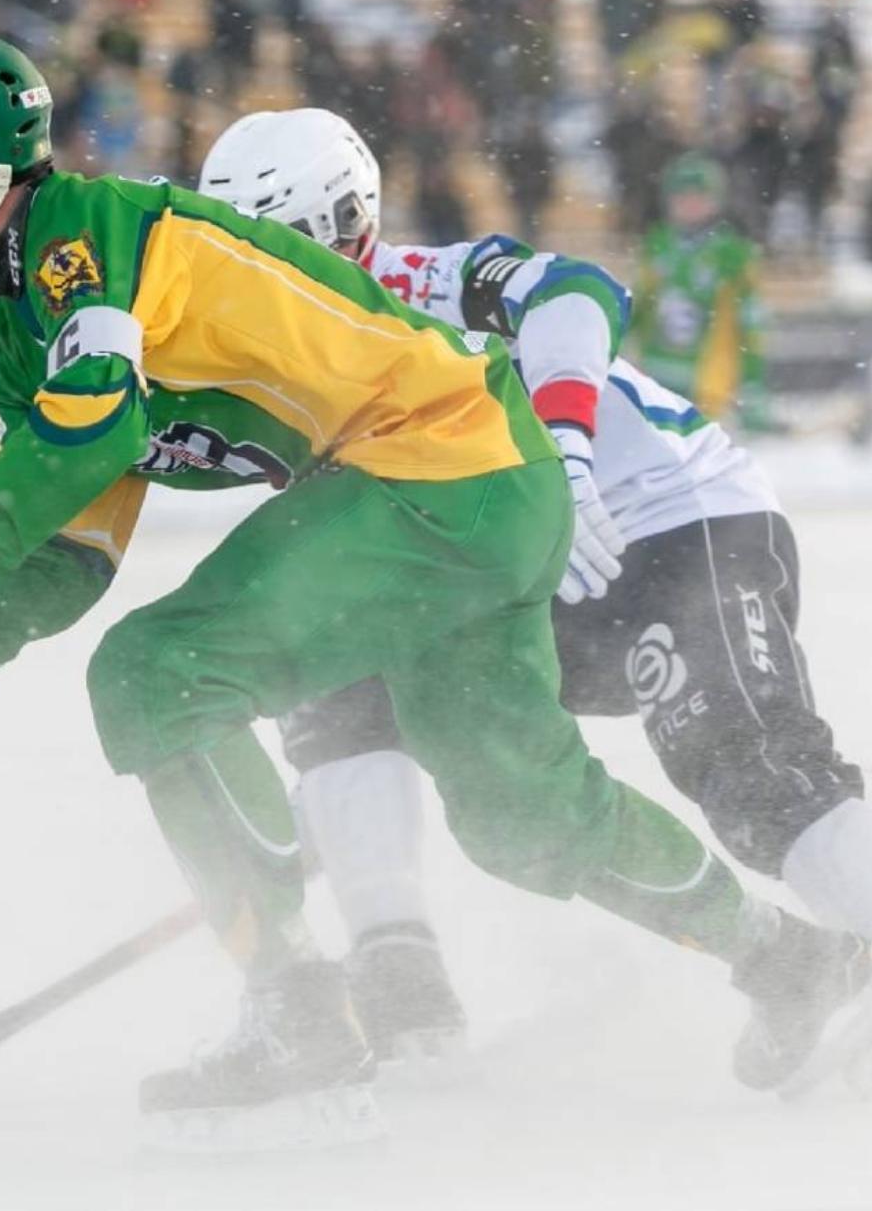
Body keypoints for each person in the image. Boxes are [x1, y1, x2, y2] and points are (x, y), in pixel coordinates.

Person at [0, 29, 863, 1141]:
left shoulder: (89, 240)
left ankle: (294, 1010)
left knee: (160, 669)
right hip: (464, 496)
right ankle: (788, 960)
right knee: (519, 816)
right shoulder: (18, 343)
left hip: (442, 468)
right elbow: (73, 552)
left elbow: (88, 426)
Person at [198, 109, 872, 1073]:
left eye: (285, 251)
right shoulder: (256, 360)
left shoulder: (412, 284)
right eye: (239, 257)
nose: (265, 286)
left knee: (747, 761)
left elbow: (576, 289)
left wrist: (565, 447)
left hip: (660, 521)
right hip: (517, 575)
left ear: (352, 225)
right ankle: (399, 967)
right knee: (341, 686)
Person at [632, 153, 767, 427]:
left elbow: (750, 322)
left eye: (699, 197)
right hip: (655, 372)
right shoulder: (658, 243)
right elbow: (639, 303)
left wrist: (752, 381)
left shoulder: (731, 253)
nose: (690, 205)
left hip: (707, 381)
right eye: (682, 198)